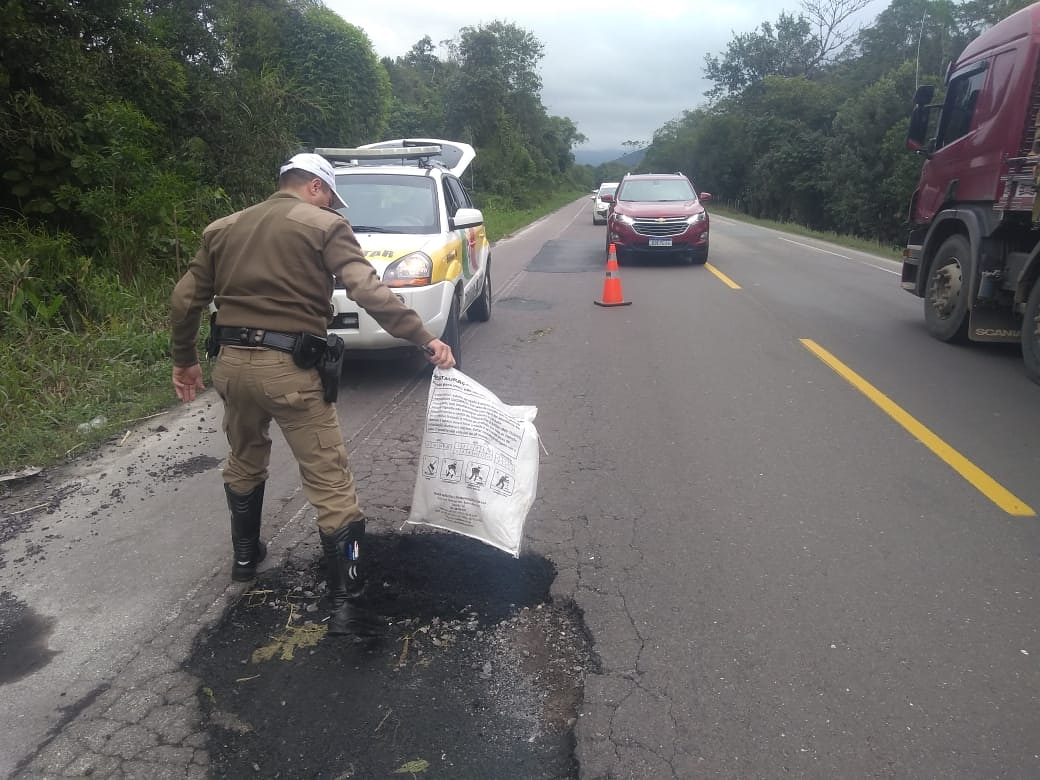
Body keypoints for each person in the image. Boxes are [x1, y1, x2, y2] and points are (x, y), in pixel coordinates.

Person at [170, 152, 455, 638]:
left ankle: (245, 557)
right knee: (329, 479)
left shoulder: (223, 228)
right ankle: (347, 602)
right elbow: (368, 291)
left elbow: (183, 299)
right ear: (317, 189)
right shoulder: (324, 226)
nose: (331, 205)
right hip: (290, 369)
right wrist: (423, 337)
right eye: (331, 197)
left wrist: (184, 359)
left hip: (232, 366)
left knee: (244, 458)